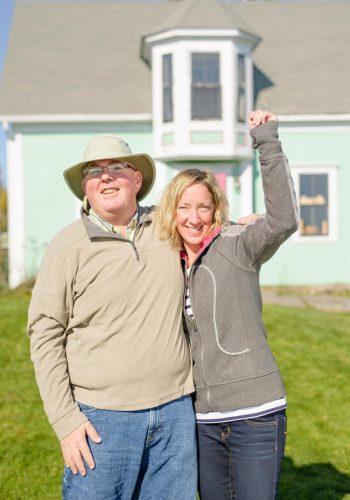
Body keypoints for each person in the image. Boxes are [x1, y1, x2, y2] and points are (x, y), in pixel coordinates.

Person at [27, 134, 198, 499]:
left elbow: (210, 227)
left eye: (116, 168)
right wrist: (66, 421)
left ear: (136, 179)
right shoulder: (67, 246)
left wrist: (247, 223)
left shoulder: (169, 229)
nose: (105, 177)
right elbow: (44, 335)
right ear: (84, 188)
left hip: (176, 413)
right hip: (101, 420)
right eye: (93, 171)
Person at [156, 109, 299, 500]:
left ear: (216, 208)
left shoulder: (239, 244)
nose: (194, 217)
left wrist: (267, 141)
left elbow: (284, 220)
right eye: (184, 207)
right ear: (171, 211)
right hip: (202, 419)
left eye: (203, 206)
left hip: (255, 412)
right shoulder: (167, 260)